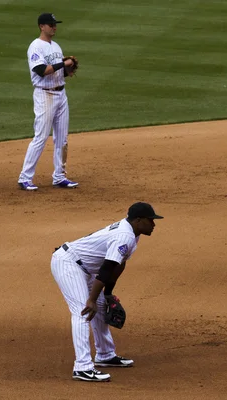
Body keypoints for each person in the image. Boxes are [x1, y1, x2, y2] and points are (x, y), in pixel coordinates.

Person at [51, 202, 164, 382]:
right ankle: (82, 367)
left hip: (85, 268)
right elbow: (106, 268)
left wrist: (107, 293)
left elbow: (118, 265)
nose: (154, 224)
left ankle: (105, 354)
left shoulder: (133, 234)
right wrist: (91, 299)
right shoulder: (124, 236)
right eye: (151, 221)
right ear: (138, 220)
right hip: (69, 264)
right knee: (83, 312)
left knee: (101, 305)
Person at [18, 13, 79, 191]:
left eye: (55, 24)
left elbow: (58, 71)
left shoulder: (56, 46)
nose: (54, 27)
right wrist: (63, 63)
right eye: (50, 24)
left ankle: (59, 176)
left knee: (62, 138)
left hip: (61, 94)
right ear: (41, 26)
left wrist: (68, 69)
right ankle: (25, 177)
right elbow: (41, 70)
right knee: (41, 137)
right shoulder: (36, 46)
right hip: (45, 96)